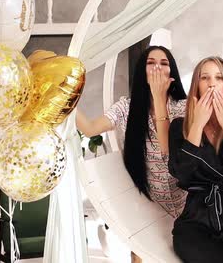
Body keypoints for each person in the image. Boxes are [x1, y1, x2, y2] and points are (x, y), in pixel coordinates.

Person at [76, 45, 188, 217]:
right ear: (142, 72)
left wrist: (159, 97)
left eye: (164, 63)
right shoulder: (126, 107)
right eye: (151, 63)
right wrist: (62, 98)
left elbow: (167, 151)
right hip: (151, 210)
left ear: (171, 72)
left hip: (188, 203)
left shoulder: (183, 107)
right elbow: (90, 129)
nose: (157, 67)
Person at [168, 56, 223, 263]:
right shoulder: (179, 126)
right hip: (194, 223)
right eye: (204, 77)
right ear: (196, 86)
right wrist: (197, 125)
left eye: (218, 77)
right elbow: (181, 175)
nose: (211, 83)